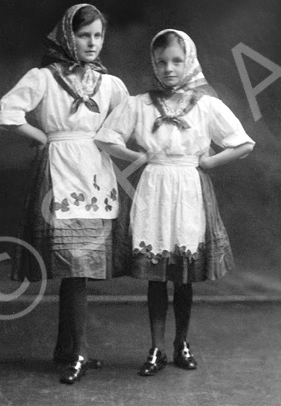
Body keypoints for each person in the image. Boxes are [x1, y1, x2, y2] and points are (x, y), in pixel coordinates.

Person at [95, 29, 255, 376]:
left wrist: (210, 162)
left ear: (189, 62)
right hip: (155, 187)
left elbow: (243, 143)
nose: (169, 68)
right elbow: (106, 139)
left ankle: (180, 343)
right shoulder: (139, 104)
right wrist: (137, 154)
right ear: (153, 63)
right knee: (157, 277)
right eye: (162, 61)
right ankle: (155, 348)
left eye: (177, 61)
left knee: (182, 276)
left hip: (188, 189)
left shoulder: (206, 105)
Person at [0, 3, 128, 385]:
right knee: (74, 264)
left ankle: (67, 347)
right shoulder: (44, 78)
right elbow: (7, 112)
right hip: (60, 173)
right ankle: (79, 349)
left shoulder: (110, 84)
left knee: (80, 269)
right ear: (69, 36)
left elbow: (127, 122)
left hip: (97, 175)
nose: (92, 43)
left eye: (98, 36)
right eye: (85, 35)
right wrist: (44, 138)